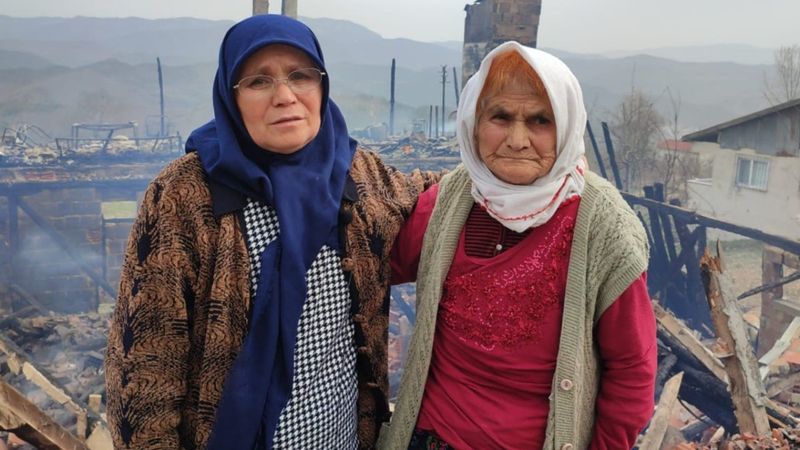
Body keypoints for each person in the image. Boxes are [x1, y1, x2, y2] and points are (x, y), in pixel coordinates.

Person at [104, 14, 439, 450]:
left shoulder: (358, 175)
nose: (285, 96)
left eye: (301, 76)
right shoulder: (184, 195)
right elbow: (145, 369)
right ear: (231, 96)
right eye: (259, 81)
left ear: (322, 85)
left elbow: (437, 194)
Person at [379, 42, 657, 450]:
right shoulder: (451, 200)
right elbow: (378, 266)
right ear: (474, 123)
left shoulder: (605, 228)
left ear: (566, 127)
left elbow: (632, 369)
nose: (517, 139)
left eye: (540, 120)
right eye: (501, 117)